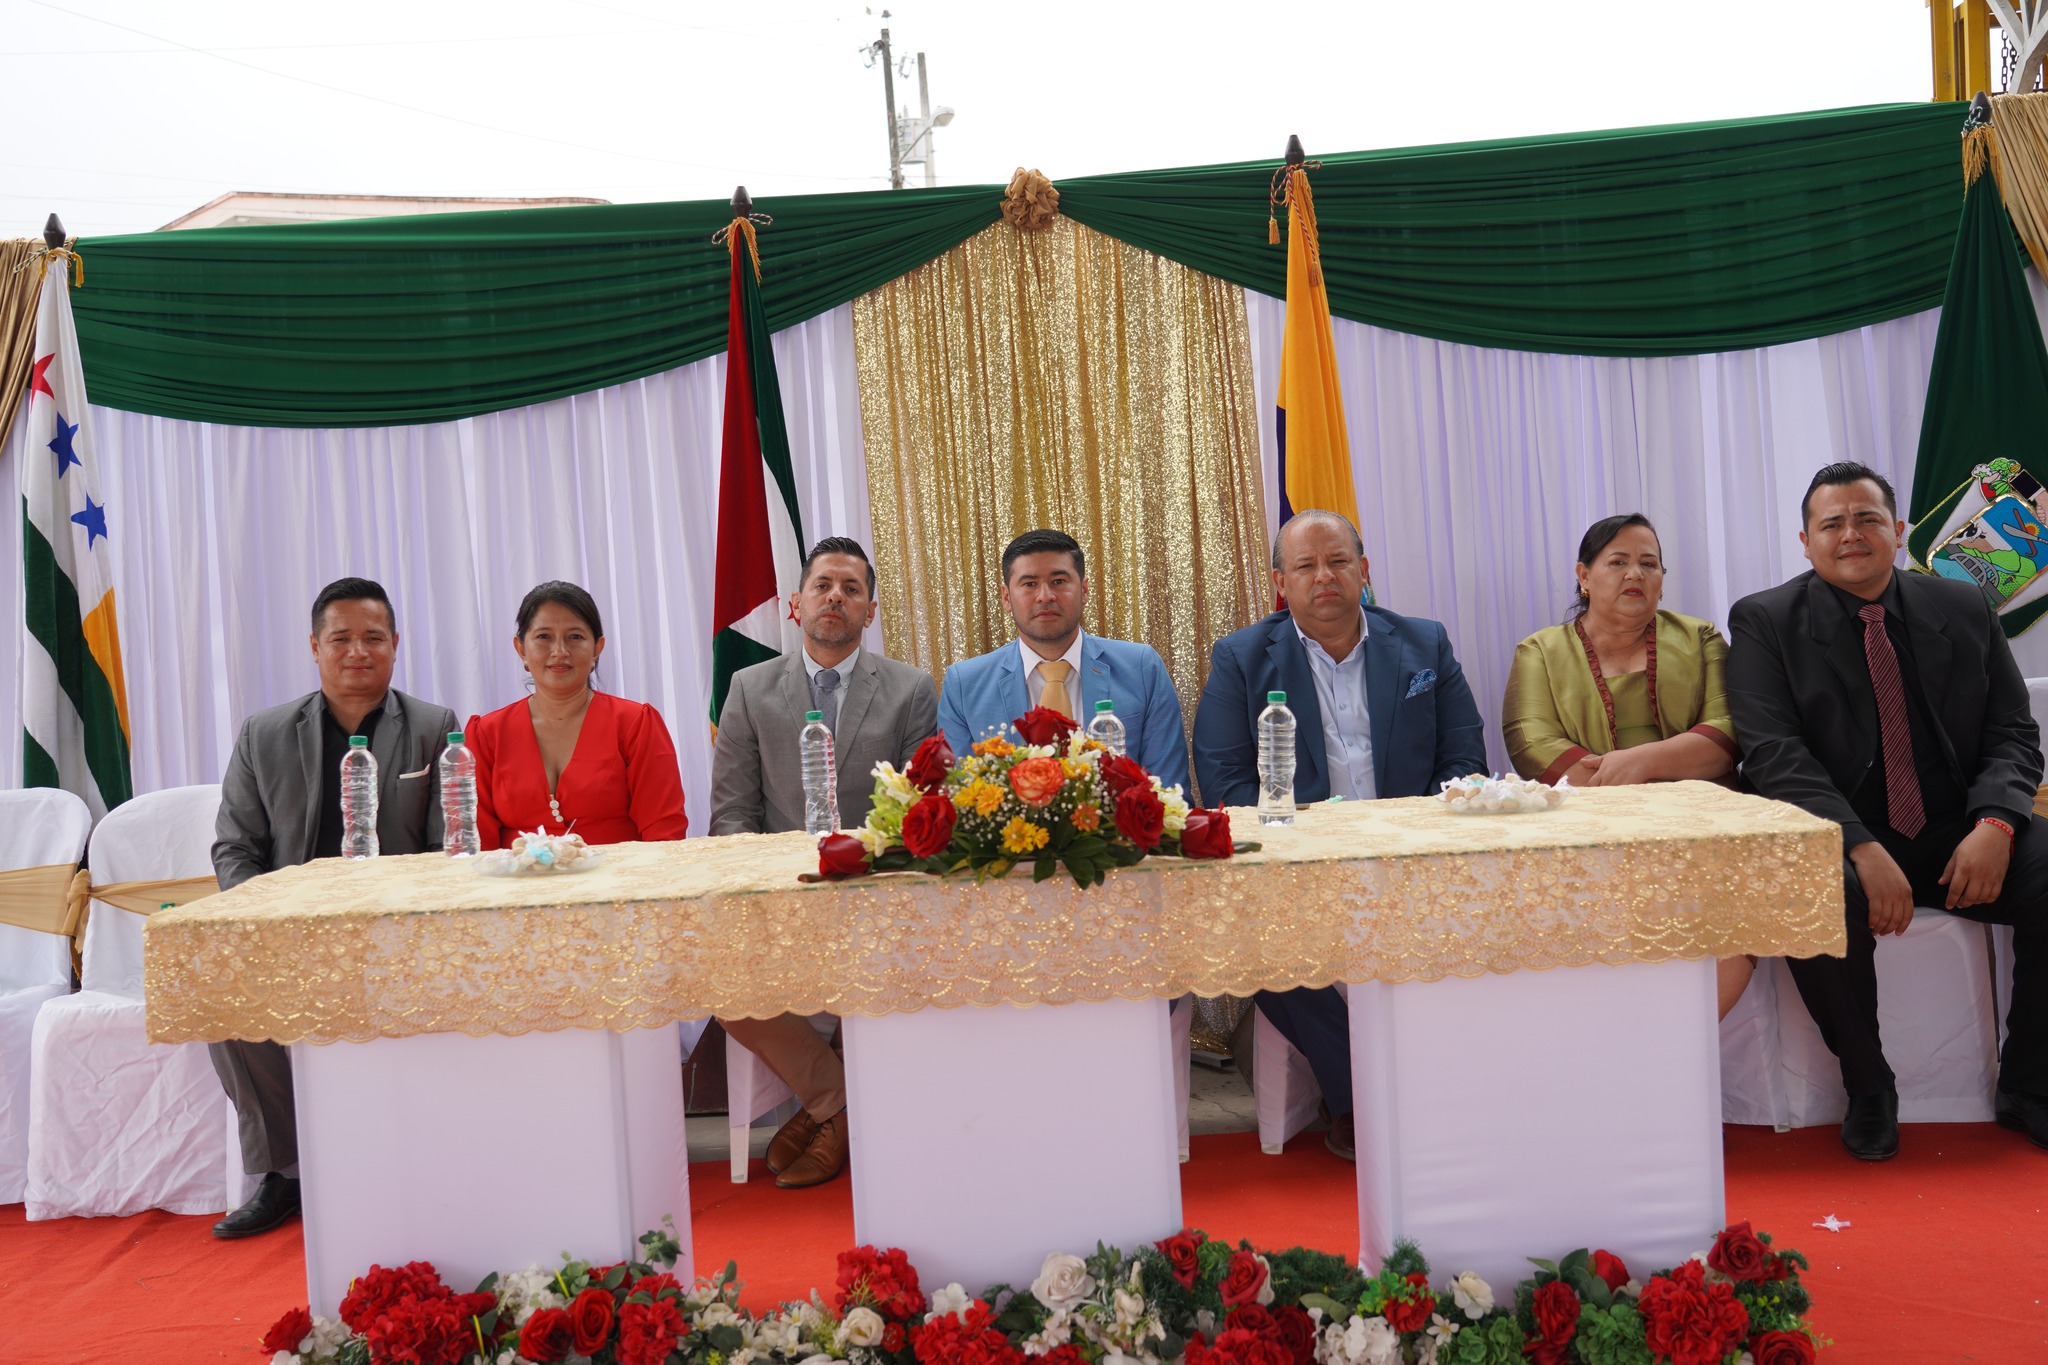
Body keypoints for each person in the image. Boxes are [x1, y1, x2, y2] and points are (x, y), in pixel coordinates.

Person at [1727, 461, 2048, 1161]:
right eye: (1832, 523)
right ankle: (1869, 1086)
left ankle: (2032, 1084)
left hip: (1956, 829)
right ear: (1806, 541)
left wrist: (1995, 824)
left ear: (1898, 531)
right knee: (1806, 885)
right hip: (1841, 834)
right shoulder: (1765, 620)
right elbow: (1774, 754)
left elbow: (2013, 732)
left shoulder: (1964, 606)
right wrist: (1860, 846)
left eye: (1867, 518)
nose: (1851, 533)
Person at [1192, 509, 1486, 1159]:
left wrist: (1411, 832)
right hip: (1302, 864)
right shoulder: (1242, 657)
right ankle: (1363, 1099)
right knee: (1270, 953)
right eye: (1306, 566)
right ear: (1281, 581)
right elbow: (1225, 780)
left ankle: (1453, 1085)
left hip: (1409, 854)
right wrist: (1310, 839)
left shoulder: (1424, 643)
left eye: (1338, 561)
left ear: (1364, 569)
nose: (1324, 576)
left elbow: (1465, 757)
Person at [211, 577, 457, 1238]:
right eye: (340, 638)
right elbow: (235, 847)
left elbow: (446, 845)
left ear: (395, 644)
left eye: (372, 637)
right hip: (290, 928)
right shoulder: (263, 734)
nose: (357, 651)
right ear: (314, 646)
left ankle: (423, 1158)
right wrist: (267, 917)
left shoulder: (433, 726)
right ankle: (284, 1171)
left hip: (397, 931)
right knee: (224, 995)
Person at [709, 536, 938, 1188]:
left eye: (851, 588)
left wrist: (869, 879)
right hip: (783, 896)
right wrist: (772, 890)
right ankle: (840, 1104)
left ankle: (826, 1112)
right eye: (823, 586)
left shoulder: (911, 689)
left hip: (878, 897)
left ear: (870, 610)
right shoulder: (749, 687)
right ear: (796, 603)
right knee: (722, 985)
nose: (835, 597)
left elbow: (920, 811)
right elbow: (732, 813)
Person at [1500, 513, 1754, 1017]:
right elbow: (1532, 744)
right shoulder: (1540, 651)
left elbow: (1728, 731)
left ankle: (1679, 1048)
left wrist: (1639, 762)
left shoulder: (1701, 638)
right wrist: (1636, 787)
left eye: (1648, 564)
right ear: (1584, 576)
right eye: (1618, 562)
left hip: (1700, 828)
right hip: (1587, 833)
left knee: (1733, 927)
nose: (1635, 574)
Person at [937, 529, 1190, 794]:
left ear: (1084, 590)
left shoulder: (1141, 669)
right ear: (1006, 598)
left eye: (1058, 581)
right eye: (1029, 584)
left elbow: (1170, 789)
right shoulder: (964, 685)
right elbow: (959, 796)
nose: (1045, 596)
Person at [466, 581, 688, 848]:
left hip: (621, 874)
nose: (560, 651)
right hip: (517, 875)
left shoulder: (635, 724)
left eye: (575, 637)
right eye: (544, 637)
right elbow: (476, 843)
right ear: (521, 649)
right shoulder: (486, 733)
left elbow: (665, 835)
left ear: (597, 648)